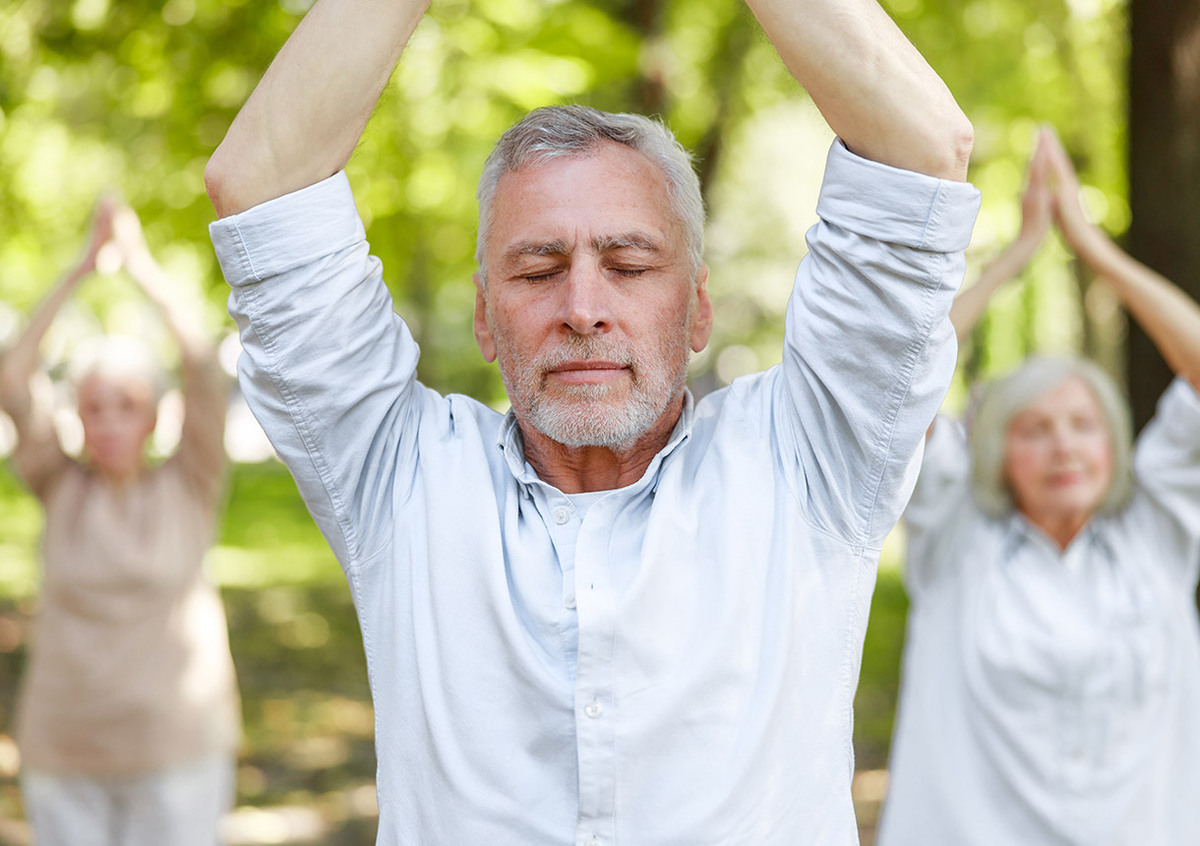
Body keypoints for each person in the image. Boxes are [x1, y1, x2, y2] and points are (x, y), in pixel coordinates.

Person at [204, 0, 979, 841]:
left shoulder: (808, 463)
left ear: (697, 312)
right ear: (483, 319)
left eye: (629, 264)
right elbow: (261, 184)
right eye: (538, 271)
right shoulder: (400, 479)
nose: (582, 309)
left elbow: (925, 151)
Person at [875, 128, 1200, 845]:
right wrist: (1014, 256)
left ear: (1114, 446)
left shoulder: (1159, 535)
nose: (1062, 447)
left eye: (1082, 425)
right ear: (996, 450)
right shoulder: (953, 539)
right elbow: (904, 379)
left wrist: (1093, 248)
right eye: (1034, 429)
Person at [0, 198, 241, 846]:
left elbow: (200, 366)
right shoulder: (59, 484)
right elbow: (12, 378)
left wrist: (140, 268)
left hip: (178, 750)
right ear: (77, 417)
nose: (109, 421)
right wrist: (80, 269)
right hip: (65, 750)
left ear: (155, 415)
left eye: (126, 405)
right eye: (94, 407)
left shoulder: (191, 481)